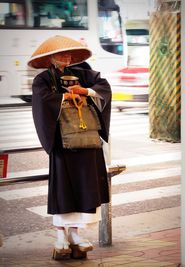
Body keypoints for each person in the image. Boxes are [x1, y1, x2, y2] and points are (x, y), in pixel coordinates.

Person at [27, 35, 112, 259]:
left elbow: (103, 88)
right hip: (62, 143)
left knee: (86, 187)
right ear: (50, 57)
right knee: (63, 189)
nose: (66, 58)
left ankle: (75, 234)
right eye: (61, 54)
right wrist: (65, 96)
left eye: (68, 54)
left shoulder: (84, 73)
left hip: (87, 141)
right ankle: (60, 236)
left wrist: (86, 92)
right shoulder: (43, 79)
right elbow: (42, 101)